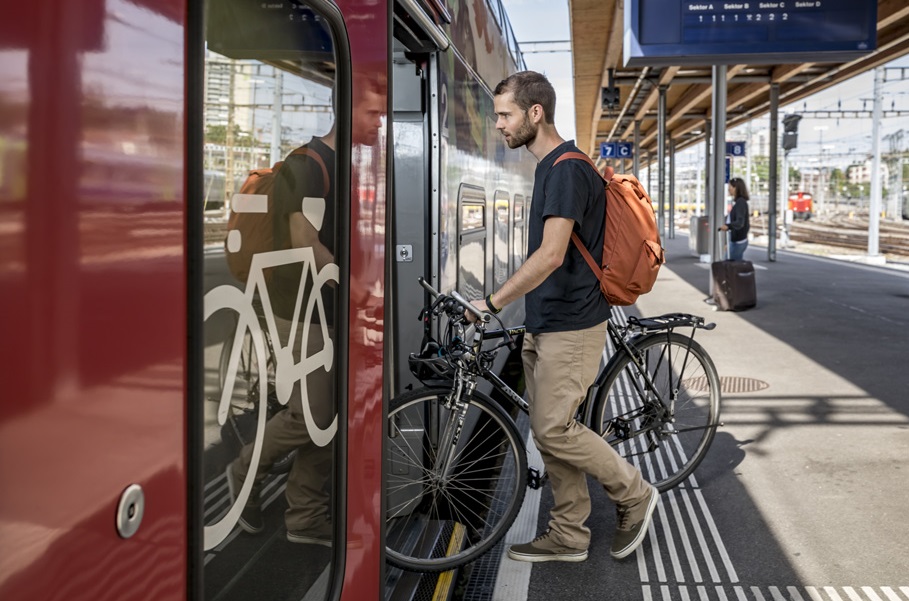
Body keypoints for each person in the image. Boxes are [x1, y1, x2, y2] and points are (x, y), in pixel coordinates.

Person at [468, 71, 658, 563]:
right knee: (551, 430)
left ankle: (635, 494)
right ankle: (569, 534)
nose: (499, 126)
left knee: (554, 429)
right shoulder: (551, 167)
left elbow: (551, 255)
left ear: (535, 113)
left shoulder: (567, 169)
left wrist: (490, 303)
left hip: (572, 326)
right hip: (548, 321)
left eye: (505, 115)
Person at [225, 75, 385, 546]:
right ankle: (244, 472)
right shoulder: (309, 164)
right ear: (349, 109)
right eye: (373, 113)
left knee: (330, 415)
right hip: (299, 310)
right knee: (308, 414)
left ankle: (305, 518)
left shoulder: (347, 165)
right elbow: (304, 241)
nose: (380, 122)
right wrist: (359, 290)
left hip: (330, 306)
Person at [719, 177, 750, 261]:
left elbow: (740, 222)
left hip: (738, 242)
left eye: (730, 187)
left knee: (728, 265)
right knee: (734, 265)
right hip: (736, 241)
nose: (729, 189)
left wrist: (728, 226)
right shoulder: (739, 202)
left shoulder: (740, 203)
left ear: (736, 188)